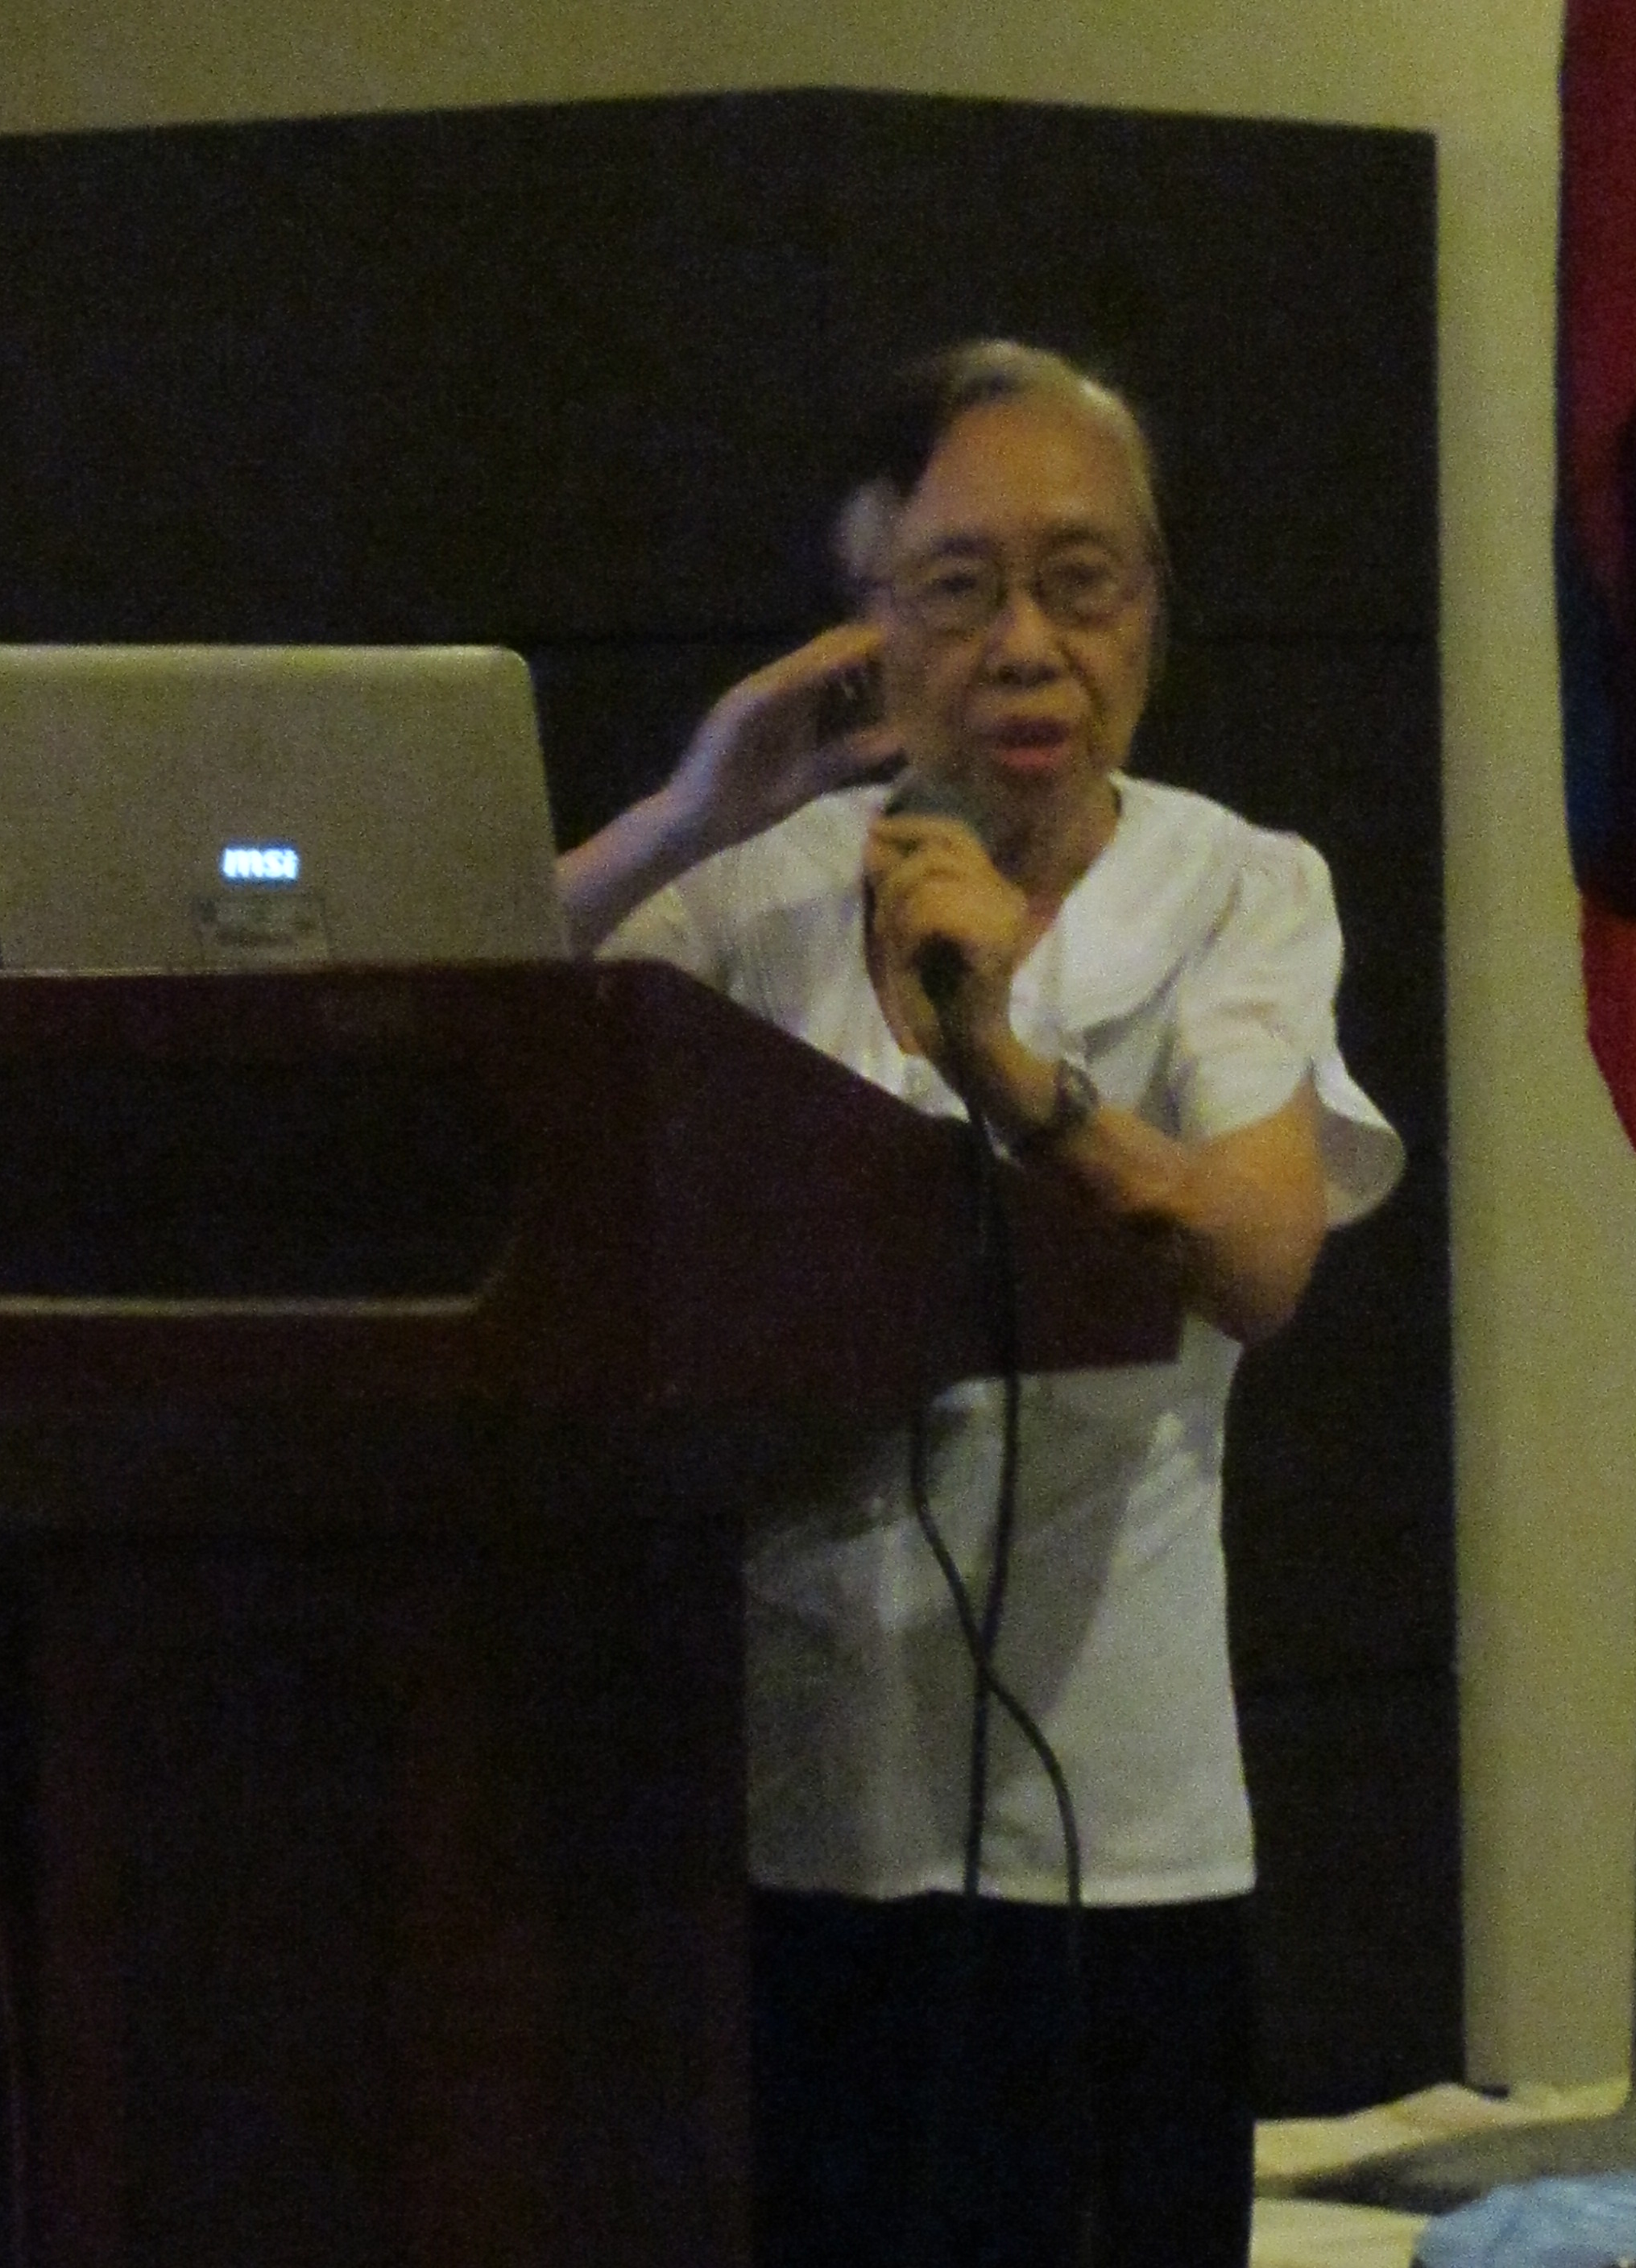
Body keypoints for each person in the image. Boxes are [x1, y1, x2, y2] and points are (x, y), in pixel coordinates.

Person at [559, 340, 1403, 2268]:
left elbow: (1259, 1253)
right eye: (958, 590)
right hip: (789, 1815)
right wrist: (679, 819)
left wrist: (1005, 1061)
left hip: (1113, 1831)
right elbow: (438, 1020)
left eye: (1082, 583)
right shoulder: (756, 890)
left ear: (1153, 612)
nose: (1029, 644)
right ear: (864, 631)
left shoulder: (1239, 884)